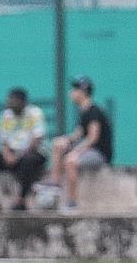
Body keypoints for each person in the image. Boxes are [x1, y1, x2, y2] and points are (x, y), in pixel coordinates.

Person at [45, 76, 114, 211]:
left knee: (71, 161)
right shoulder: (83, 112)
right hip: (88, 151)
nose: (71, 93)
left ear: (83, 92)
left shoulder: (94, 111)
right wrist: (65, 141)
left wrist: (76, 151)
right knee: (59, 144)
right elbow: (76, 135)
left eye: (75, 90)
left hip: (100, 154)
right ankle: (55, 184)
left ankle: (72, 202)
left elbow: (93, 138)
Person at [0, 87, 48, 211]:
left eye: (13, 100)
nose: (9, 103)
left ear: (23, 102)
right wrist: (7, 155)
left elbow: (37, 139)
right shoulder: (6, 115)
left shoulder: (34, 113)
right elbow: (3, 141)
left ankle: (21, 201)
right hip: (11, 153)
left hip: (31, 152)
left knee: (28, 162)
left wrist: (18, 156)